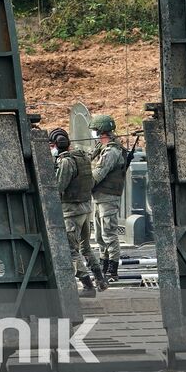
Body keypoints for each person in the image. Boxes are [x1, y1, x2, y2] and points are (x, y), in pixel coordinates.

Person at [51, 127, 107, 297]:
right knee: (86, 247)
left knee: (70, 250)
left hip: (71, 211)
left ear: (56, 145)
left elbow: (59, 186)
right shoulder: (81, 156)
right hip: (85, 208)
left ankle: (88, 286)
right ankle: (100, 279)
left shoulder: (66, 162)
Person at [90, 114, 128, 282]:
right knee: (99, 236)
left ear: (101, 131)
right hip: (99, 197)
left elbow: (98, 173)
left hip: (108, 198)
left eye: (95, 131)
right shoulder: (101, 148)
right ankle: (103, 268)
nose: (94, 134)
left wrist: (82, 184)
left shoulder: (112, 151)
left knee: (109, 235)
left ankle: (112, 271)